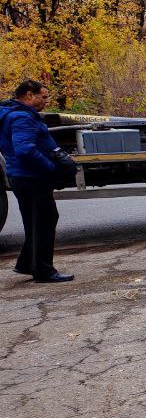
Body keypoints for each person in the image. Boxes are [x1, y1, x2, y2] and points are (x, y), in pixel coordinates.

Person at [0, 79, 73, 282]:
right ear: (29, 95)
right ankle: (44, 271)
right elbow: (25, 150)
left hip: (24, 176)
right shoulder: (21, 117)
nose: (46, 101)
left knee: (36, 222)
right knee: (44, 221)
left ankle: (26, 264)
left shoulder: (14, 114)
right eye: (43, 97)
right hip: (31, 177)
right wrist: (51, 169)